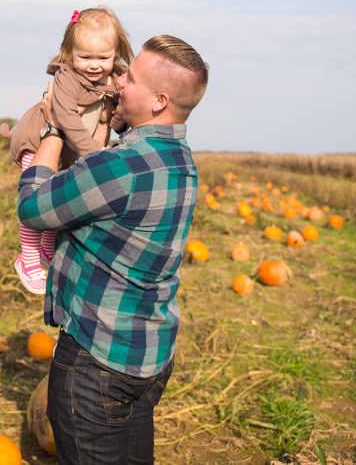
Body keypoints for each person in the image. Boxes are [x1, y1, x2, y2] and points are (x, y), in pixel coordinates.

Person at [17, 35, 208, 465]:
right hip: (150, 354)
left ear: (159, 101)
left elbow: (32, 207)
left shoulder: (120, 167)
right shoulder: (182, 161)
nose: (117, 80)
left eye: (131, 77)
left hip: (95, 362)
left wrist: (51, 127)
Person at [3, 7, 133, 295]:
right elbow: (65, 118)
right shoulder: (67, 78)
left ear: (116, 52)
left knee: (56, 197)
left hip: (69, 150)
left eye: (104, 57)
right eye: (85, 57)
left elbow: (117, 110)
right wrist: (93, 152)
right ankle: (28, 257)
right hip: (37, 139)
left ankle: (48, 250)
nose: (94, 65)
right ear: (69, 52)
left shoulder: (113, 79)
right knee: (36, 197)